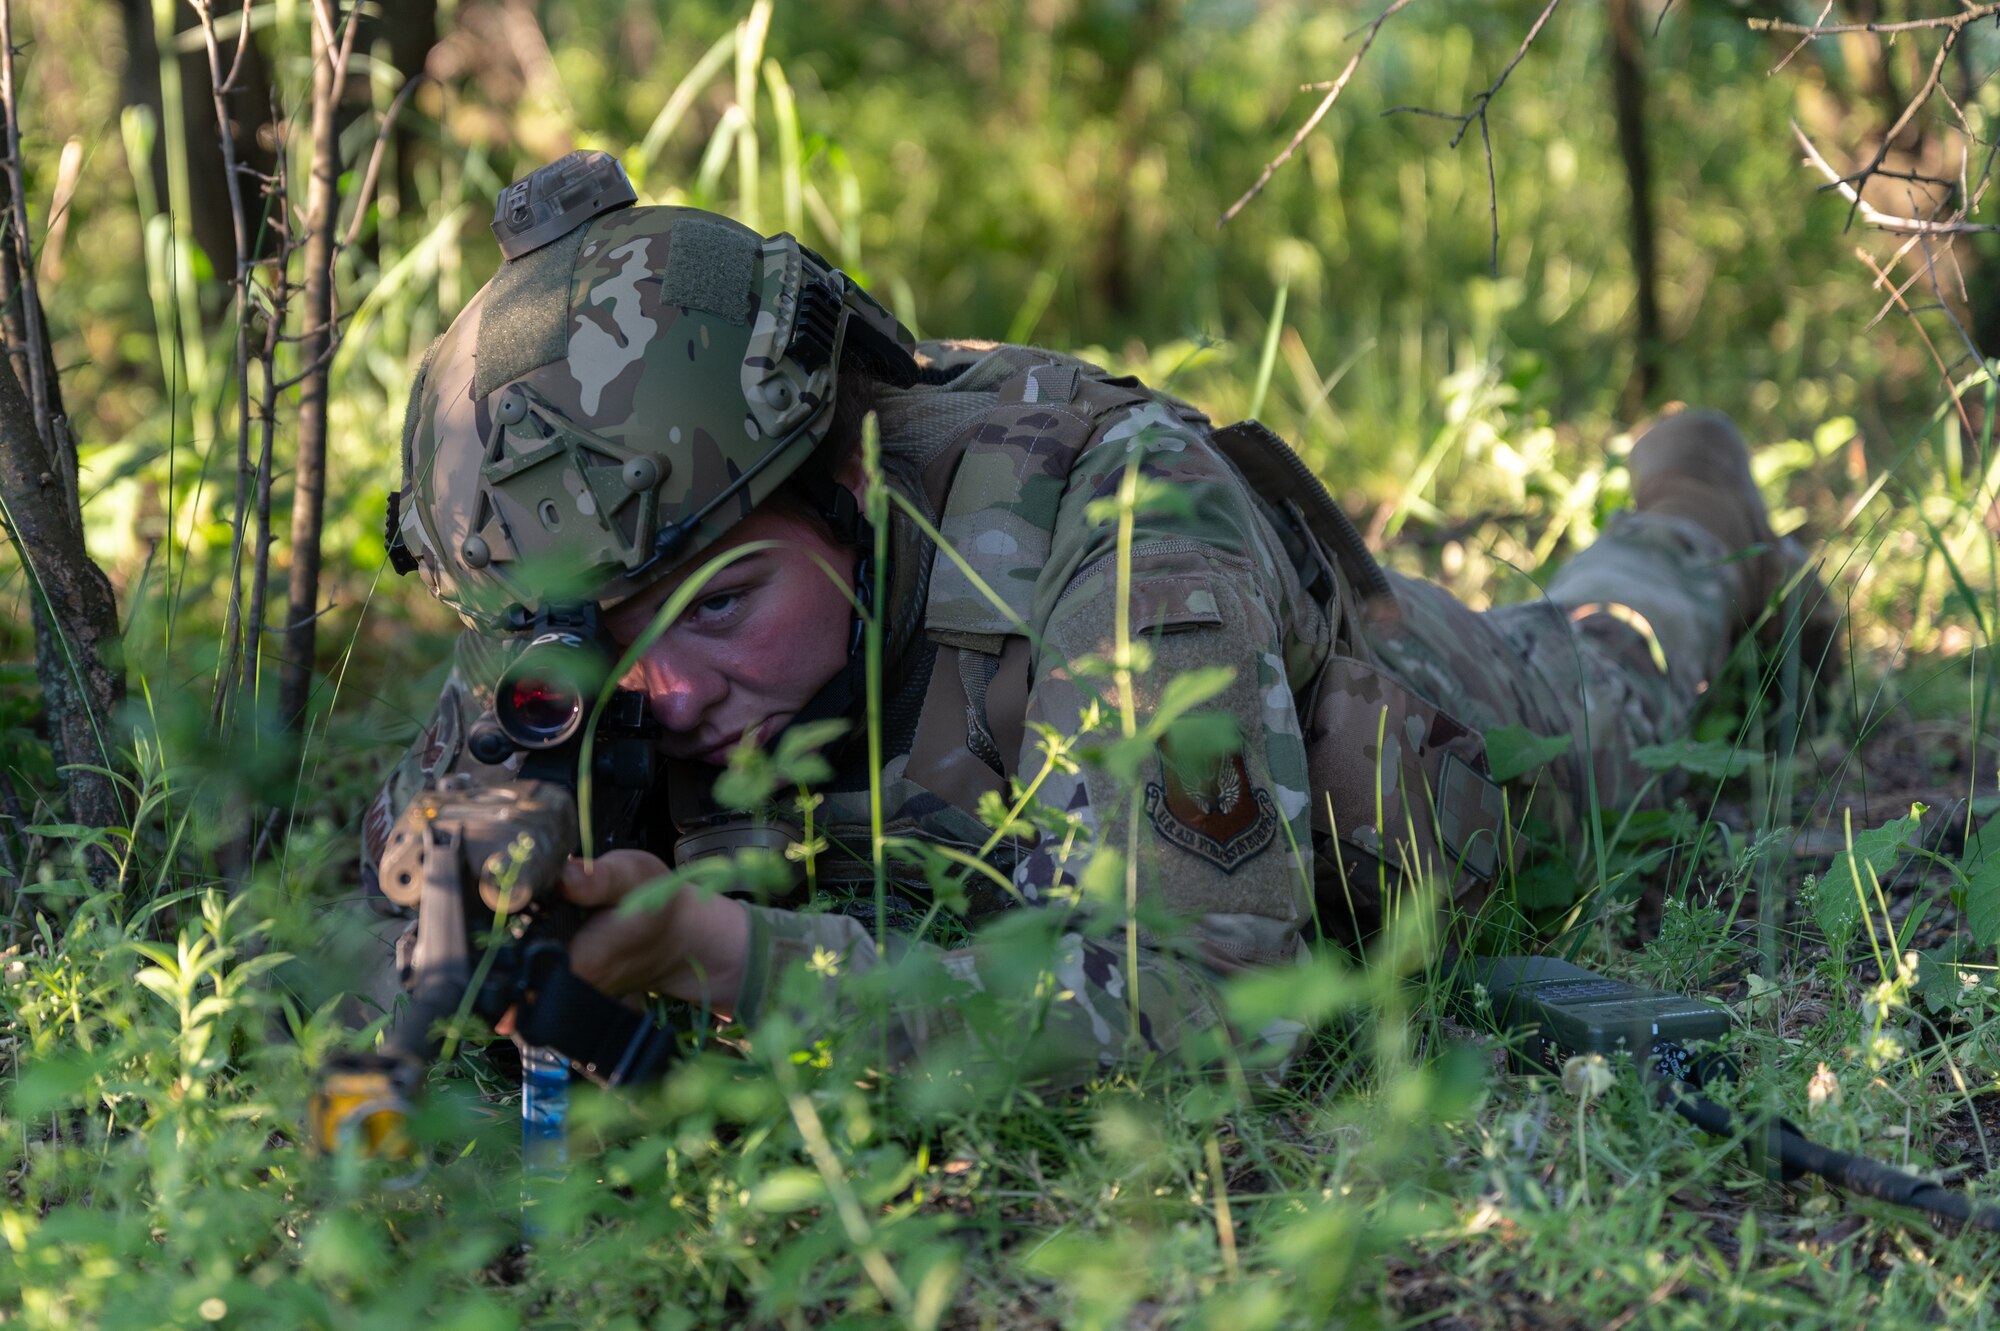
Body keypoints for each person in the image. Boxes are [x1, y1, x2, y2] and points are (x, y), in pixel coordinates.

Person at [361, 151, 1838, 1082]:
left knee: (1621, 652)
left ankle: (1698, 511)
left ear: (848, 478)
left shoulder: (1115, 524)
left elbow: (1204, 1005)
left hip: (1429, 752)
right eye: (606, 642)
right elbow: (419, 868)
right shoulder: (583, 590)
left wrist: (726, 961)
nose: (665, 692)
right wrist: (467, 892)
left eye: (722, 604)